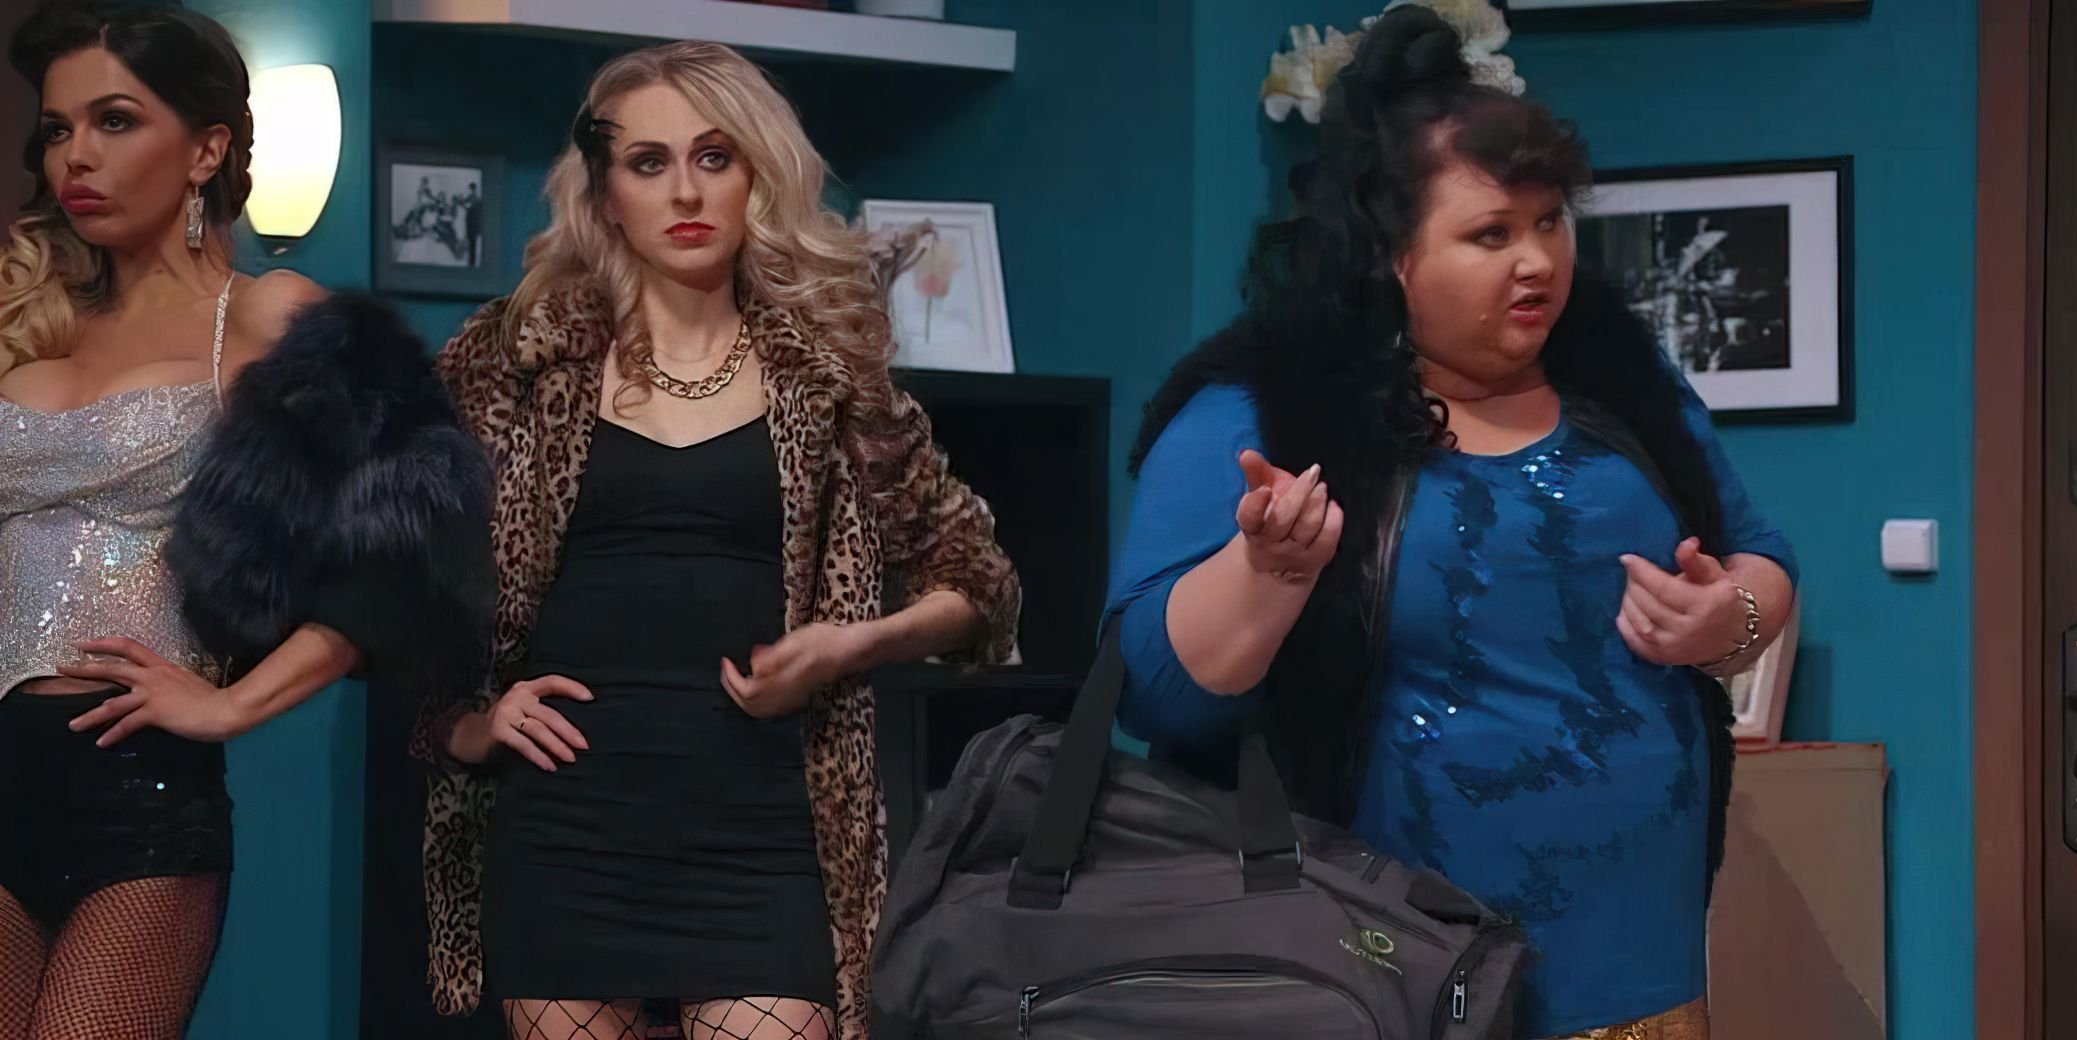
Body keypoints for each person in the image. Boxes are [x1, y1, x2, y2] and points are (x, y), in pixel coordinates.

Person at [1105, 8, 1796, 1039]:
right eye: (1491, 235)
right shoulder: (1261, 410)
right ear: (1391, 255)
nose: (1538, 261)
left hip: (1644, 962)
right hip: (1394, 979)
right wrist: (1267, 574)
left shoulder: (1620, 380)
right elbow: (1152, 692)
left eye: (1550, 222)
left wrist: (1726, 617)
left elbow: (1761, 555)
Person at [413, 41, 1018, 1040]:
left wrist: (850, 643)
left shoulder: (830, 375)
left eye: (713, 156)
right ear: (606, 193)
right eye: (647, 162)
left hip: (766, 830)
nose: (685, 191)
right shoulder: (511, 359)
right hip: (566, 831)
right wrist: (466, 724)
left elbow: (977, 582)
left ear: (756, 177)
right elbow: (401, 585)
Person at [0, 4, 491, 1039]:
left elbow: (421, 533)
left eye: (114, 120)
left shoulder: (265, 315)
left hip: (133, 795)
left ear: (206, 148)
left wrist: (234, 705)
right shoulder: (27, 319)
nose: (75, 155)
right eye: (56, 129)